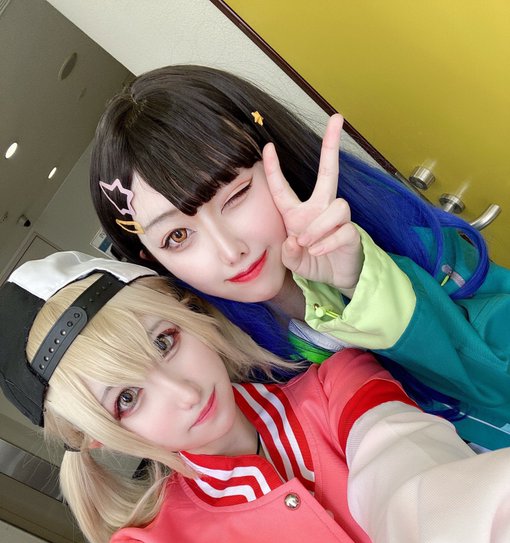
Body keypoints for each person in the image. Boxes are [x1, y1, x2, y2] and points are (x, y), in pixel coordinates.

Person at [1, 251, 509, 543]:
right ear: (94, 438)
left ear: (190, 314)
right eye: (127, 398)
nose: (183, 392)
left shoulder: (339, 383)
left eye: (164, 341)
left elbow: (414, 473)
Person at [89, 64, 510, 452]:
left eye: (236, 195)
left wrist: (366, 283)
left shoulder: (415, 243)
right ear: (155, 261)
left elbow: (499, 388)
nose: (230, 250)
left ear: (277, 162)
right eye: (178, 236)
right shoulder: (221, 377)